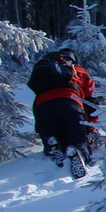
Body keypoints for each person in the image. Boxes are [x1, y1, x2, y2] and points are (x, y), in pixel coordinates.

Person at [27, 47, 97, 179]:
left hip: (43, 105)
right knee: (77, 138)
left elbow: (37, 102)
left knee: (51, 130)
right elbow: (90, 101)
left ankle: (52, 144)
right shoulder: (78, 70)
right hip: (70, 102)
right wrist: (91, 128)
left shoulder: (45, 73)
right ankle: (77, 152)